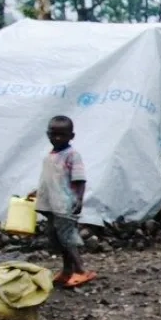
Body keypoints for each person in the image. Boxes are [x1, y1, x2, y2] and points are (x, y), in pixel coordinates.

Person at [28, 115, 95, 288]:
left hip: (65, 204)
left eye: (62, 135)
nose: (57, 138)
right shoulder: (50, 156)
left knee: (67, 238)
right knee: (56, 237)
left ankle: (81, 271)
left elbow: (79, 180)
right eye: (54, 134)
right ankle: (67, 271)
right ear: (48, 134)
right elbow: (49, 179)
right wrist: (38, 192)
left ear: (71, 136)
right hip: (51, 205)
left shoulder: (72, 155)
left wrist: (79, 199)